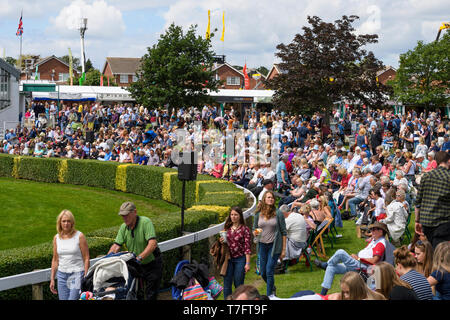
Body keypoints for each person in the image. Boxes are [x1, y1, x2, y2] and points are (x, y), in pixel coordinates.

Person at [314, 221, 389, 295]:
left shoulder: (380, 244)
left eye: (374, 229)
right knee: (331, 268)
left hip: (363, 267)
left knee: (341, 252)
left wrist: (358, 258)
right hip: (358, 263)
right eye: (372, 229)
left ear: (381, 232)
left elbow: (374, 261)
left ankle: (325, 264)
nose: (371, 231)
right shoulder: (375, 240)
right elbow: (366, 252)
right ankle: (322, 295)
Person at [107, 201, 163, 300]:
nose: (124, 218)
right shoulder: (123, 227)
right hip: (138, 266)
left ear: (135, 212)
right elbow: (116, 246)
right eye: (122, 216)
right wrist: (108, 258)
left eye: (126, 215)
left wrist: (139, 258)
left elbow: (152, 244)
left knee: (151, 294)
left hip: (152, 264)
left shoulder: (145, 222)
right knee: (137, 294)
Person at [253, 191, 287, 296]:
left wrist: (283, 249)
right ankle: (272, 287)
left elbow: (284, 232)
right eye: (268, 197)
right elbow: (254, 228)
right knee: (262, 272)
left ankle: (270, 296)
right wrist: (255, 233)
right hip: (262, 246)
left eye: (272, 198)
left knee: (269, 272)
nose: (271, 199)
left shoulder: (278, 213)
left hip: (274, 246)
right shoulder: (258, 214)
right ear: (264, 199)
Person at [50, 210, 90, 300]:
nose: (66, 224)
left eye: (68, 221)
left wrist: (86, 276)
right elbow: (55, 259)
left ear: (72, 223)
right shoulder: (56, 238)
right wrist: (52, 278)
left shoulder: (79, 236)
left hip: (76, 275)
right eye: (64, 221)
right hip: (61, 276)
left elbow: (86, 258)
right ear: (60, 223)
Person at [415, 151, 450, 249]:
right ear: (449, 161)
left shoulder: (426, 176)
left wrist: (417, 220)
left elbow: (418, 202)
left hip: (426, 221)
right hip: (443, 222)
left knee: (430, 249)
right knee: (440, 252)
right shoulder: (448, 177)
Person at [220, 206, 252, 299]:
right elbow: (224, 244)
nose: (233, 217)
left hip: (240, 259)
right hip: (228, 259)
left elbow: (247, 247)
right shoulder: (227, 228)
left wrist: (247, 263)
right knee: (227, 284)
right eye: (232, 215)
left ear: (240, 216)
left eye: (236, 215)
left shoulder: (245, 229)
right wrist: (221, 241)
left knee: (239, 284)